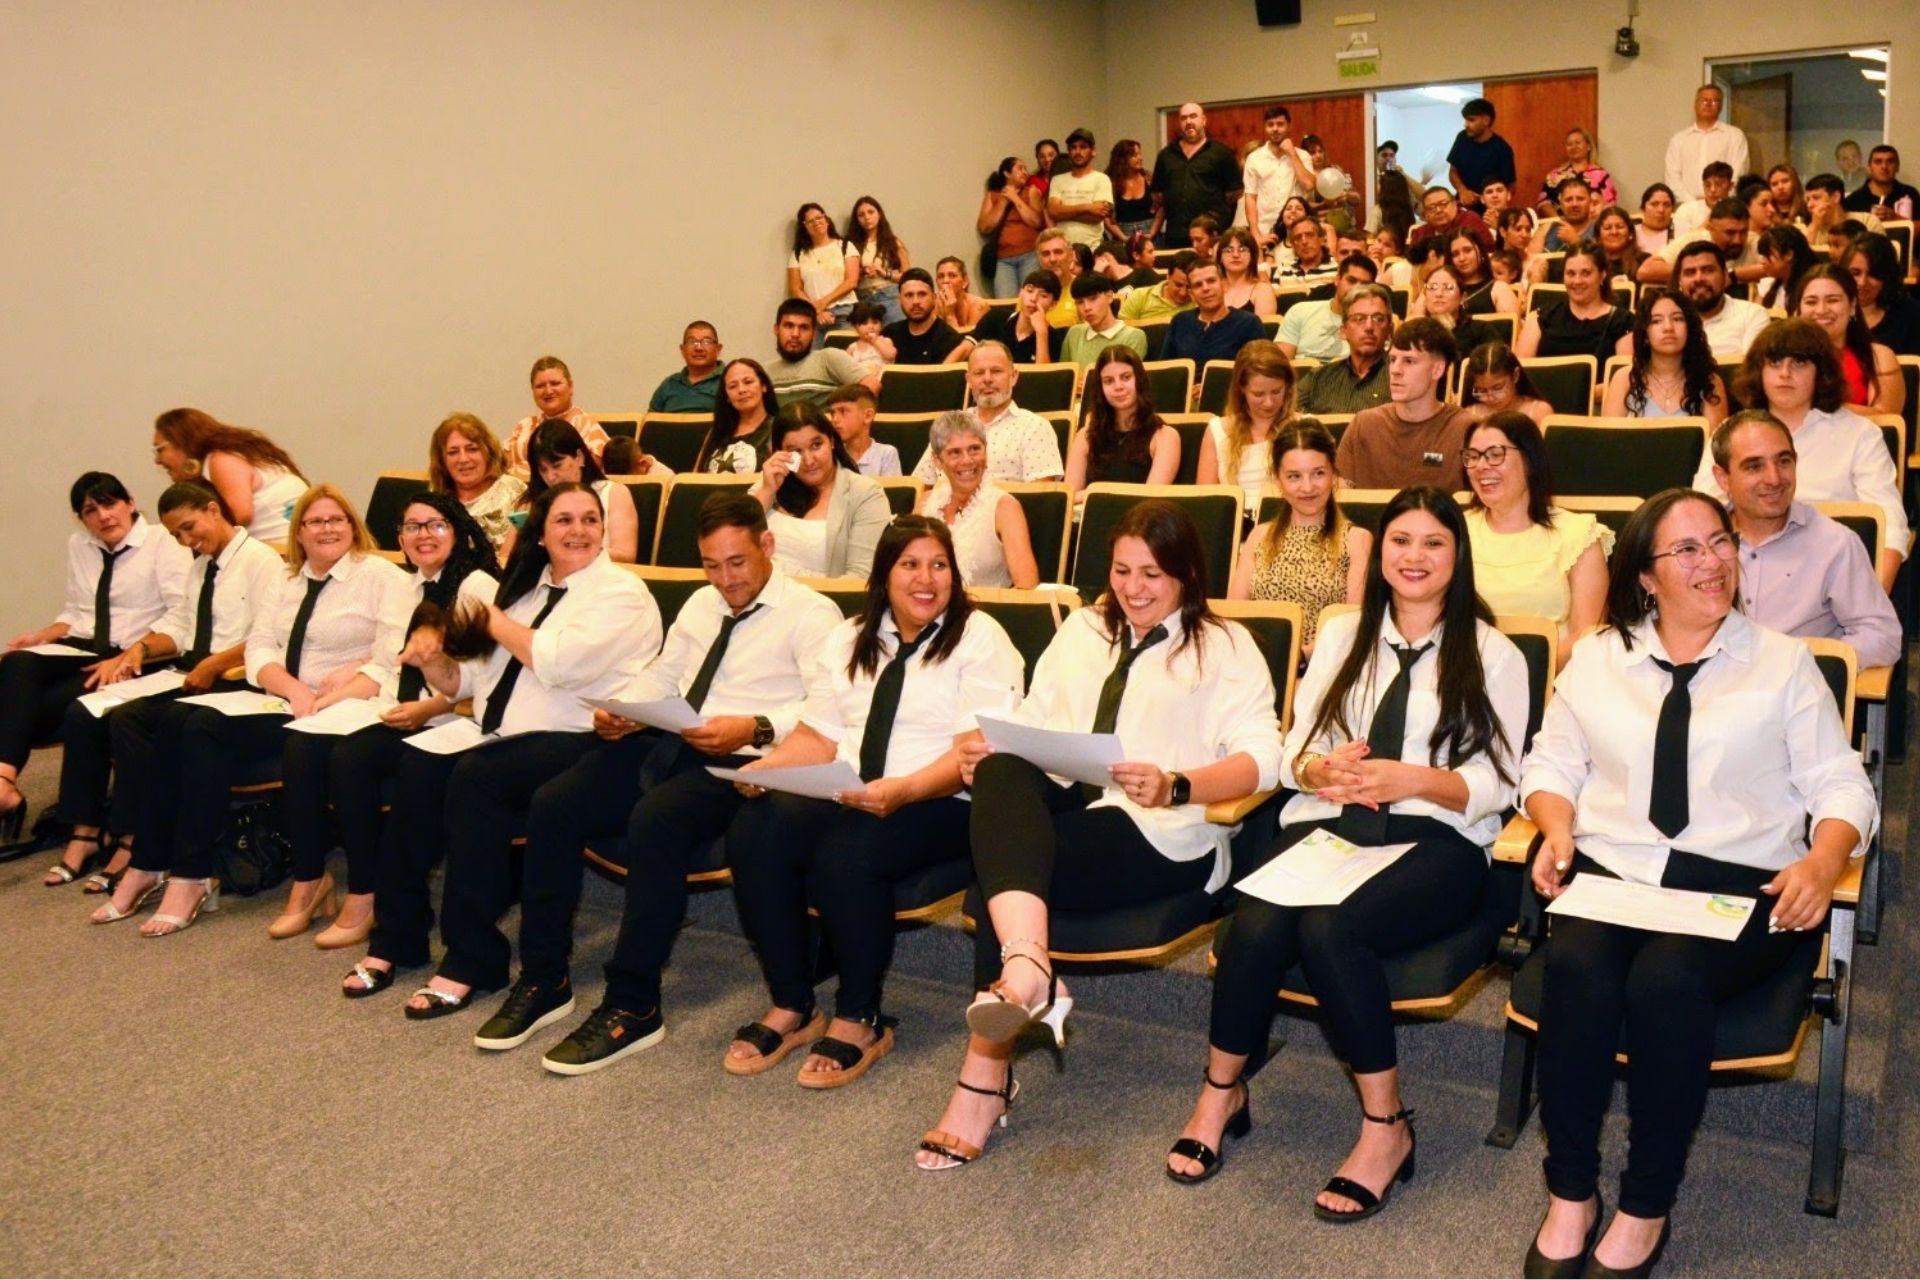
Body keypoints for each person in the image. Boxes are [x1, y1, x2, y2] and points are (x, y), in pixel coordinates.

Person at [1520, 488, 1874, 1279]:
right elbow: (1551, 763)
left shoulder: (1783, 663)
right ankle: (1570, 1191)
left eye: (1720, 542)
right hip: (1620, 870)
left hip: (1741, 882)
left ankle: (1646, 1203)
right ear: (1646, 578)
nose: (1712, 562)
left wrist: (1823, 862)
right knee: (1573, 966)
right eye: (1687, 550)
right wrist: (1555, 825)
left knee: (1667, 980)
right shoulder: (1599, 659)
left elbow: (1842, 784)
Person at [1180, 487, 1526, 1204]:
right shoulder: (1341, 635)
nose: (1414, 556)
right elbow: (1295, 750)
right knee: (1254, 924)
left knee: (1330, 930)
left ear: (1458, 555)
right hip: (1333, 824)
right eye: (1400, 540)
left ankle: (1386, 1126)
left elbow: (1499, 783)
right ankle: (1221, 1093)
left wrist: (1413, 779)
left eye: (1433, 542)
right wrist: (1317, 770)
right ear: (1380, 552)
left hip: (1436, 837)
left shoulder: (1494, 653)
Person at [917, 501, 1281, 1170]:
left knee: (998, 882)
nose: (1133, 589)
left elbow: (1264, 760)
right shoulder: (1083, 629)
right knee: (999, 771)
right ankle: (1030, 970)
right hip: (1072, 802)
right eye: (1121, 571)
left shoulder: (1226, 646)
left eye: (1152, 574)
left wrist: (1176, 784)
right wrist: (988, 747)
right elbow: (1035, 718)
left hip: (1160, 828)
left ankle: (985, 1076)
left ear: (1186, 575)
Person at [475, 493, 841, 1069]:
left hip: (749, 761)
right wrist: (624, 708)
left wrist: (756, 725)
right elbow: (663, 675)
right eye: (712, 565)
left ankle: (634, 1002)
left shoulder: (812, 615)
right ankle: (545, 978)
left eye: (737, 562)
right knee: (555, 802)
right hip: (676, 739)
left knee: (656, 819)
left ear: (767, 545)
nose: (726, 579)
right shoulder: (700, 604)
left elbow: (827, 710)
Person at [729, 516, 1025, 1088]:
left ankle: (860, 1016)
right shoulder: (850, 636)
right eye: (910, 565)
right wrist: (766, 768)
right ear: (885, 574)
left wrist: (904, 790)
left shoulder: (979, 636)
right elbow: (818, 735)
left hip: (945, 798)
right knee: (756, 826)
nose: (925, 579)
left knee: (846, 850)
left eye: (938, 565)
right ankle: (793, 1004)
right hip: (857, 789)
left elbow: (972, 753)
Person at [369, 483, 661, 1017]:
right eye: (564, 520)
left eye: (590, 519)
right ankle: (397, 936)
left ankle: (473, 958)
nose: (579, 530)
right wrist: (431, 660)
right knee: (418, 766)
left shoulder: (622, 593)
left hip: (581, 741)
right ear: (541, 534)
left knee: (478, 775)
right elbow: (464, 682)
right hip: (500, 735)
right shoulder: (525, 593)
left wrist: (491, 617)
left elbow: (557, 662)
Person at [100, 484, 409, 937]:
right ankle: (153, 863)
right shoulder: (287, 579)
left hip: (343, 706)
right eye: (315, 521)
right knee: (178, 719)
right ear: (298, 532)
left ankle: (194, 875)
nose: (326, 529)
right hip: (284, 698)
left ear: (352, 525)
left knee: (203, 728)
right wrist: (293, 690)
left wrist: (324, 699)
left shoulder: (382, 577)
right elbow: (260, 647)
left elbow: (389, 661)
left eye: (336, 519)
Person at [275, 492, 500, 949]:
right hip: (397, 706)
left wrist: (428, 708)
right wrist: (339, 696)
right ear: (400, 538)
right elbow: (386, 661)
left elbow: (488, 678)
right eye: (412, 527)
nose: (423, 535)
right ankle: (321, 879)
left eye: (435, 525)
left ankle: (366, 892)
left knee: (351, 760)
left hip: (451, 716)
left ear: (457, 531)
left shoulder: (477, 586)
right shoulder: (407, 585)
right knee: (309, 746)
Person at [45, 479, 244, 889]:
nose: (185, 541)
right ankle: (85, 831)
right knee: (86, 709)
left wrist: (212, 664)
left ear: (213, 510)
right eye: (177, 535)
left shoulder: (258, 562)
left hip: (227, 675)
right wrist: (141, 648)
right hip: (188, 666)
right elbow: (180, 625)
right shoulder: (202, 565)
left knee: (128, 719)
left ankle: (132, 837)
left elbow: (267, 636)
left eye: (188, 529)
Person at [0, 472, 190, 846]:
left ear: (130, 503)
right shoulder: (80, 544)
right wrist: (42, 636)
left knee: (39, 708)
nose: (103, 516)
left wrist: (129, 655)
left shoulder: (162, 542)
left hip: (142, 652)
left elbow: (180, 615)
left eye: (109, 504)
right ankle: (4, 778)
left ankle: (15, 793)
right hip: (87, 647)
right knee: (16, 662)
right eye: (91, 510)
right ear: (81, 518)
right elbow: (76, 611)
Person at [1693, 318, 1908, 591]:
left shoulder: (1861, 434)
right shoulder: (1729, 433)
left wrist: (1873, 598)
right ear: (1759, 371)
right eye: (1775, 363)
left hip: (1833, 578)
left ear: (1822, 373)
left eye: (1799, 363)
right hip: (1744, 576)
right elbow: (1701, 513)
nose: (1785, 373)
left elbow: (1889, 527)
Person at [1712, 412, 1901, 669]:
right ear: (1723, 478)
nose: (1774, 479)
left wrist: (1801, 663)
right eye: (1754, 466)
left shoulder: (1835, 544)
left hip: (1795, 688)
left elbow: (1882, 636)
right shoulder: (1697, 543)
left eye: (1784, 461)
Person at [1461, 414, 1611, 664]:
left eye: (1495, 454)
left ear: (1530, 460)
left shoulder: (1578, 534)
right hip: (1467, 676)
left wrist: (1521, 676)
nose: (1481, 466)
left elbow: (1586, 637)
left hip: (1553, 678)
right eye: (1473, 456)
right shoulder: (1454, 531)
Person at [1226, 420, 1369, 651]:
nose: (1308, 487)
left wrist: (1297, 657)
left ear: (1334, 474)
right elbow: (1234, 618)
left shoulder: (1357, 540)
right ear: (1278, 480)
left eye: (1318, 473)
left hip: (1324, 663)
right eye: (1294, 476)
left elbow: (1352, 628)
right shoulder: (1259, 536)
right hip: (1257, 659)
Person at [750, 402, 890, 581]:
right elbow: (732, 543)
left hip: (822, 597)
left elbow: (860, 578)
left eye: (816, 445)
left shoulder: (866, 494)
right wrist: (767, 491)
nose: (809, 460)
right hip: (759, 592)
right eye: (795, 451)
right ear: (779, 453)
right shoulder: (768, 484)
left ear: (831, 441)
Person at [1336, 319, 1470, 491]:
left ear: (1437, 370)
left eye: (1409, 361)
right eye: (1392, 360)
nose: (1395, 370)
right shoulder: (1363, 424)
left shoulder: (1466, 429)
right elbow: (1340, 493)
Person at [910, 342, 1066, 485]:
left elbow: (1040, 497)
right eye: (979, 373)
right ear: (969, 380)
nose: (987, 379)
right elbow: (920, 486)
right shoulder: (948, 427)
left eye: (996, 371)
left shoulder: (1035, 427)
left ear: (1013, 376)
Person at [919, 412, 1040, 589]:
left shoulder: (1005, 507)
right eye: (955, 453)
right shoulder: (925, 503)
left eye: (974, 449)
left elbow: (1027, 586)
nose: (967, 460)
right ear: (937, 460)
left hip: (984, 605)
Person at [150, 408, 309, 543]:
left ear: (181, 441)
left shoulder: (221, 460)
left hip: (281, 551)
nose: (157, 460)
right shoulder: (232, 455)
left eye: (160, 450)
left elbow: (240, 515)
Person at [515, 420, 642, 563]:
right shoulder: (533, 501)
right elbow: (508, 555)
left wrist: (571, 550)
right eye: (543, 470)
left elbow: (625, 555)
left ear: (579, 457)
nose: (550, 476)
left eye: (557, 465)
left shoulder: (613, 494)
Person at [1601, 291, 1730, 425]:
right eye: (1656, 321)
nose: (1668, 327)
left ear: (1690, 328)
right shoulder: (1624, 379)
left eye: (1677, 319)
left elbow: (1714, 438)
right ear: (1645, 333)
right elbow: (1609, 437)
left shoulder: (1710, 383)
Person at [1790, 264, 1904, 416]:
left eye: (1832, 300)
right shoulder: (1782, 359)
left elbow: (1885, 420)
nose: (1821, 310)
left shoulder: (1878, 357)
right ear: (1798, 310)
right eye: (1811, 302)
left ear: (1852, 306)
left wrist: (1813, 406)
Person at [1066, 347, 1181, 493]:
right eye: (1109, 381)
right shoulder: (1085, 436)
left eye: (1126, 377)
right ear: (1101, 388)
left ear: (1140, 380)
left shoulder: (1165, 436)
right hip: (1087, 508)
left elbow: (1150, 496)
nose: (1118, 387)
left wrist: (1095, 493)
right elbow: (1070, 497)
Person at [1199, 340, 1292, 515]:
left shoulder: (1304, 427)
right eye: (1258, 394)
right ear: (1241, 388)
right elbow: (1206, 504)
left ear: (1287, 386)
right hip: (1233, 526)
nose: (1269, 403)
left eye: (1276, 391)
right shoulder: (1217, 430)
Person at [427, 412, 526, 551]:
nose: (463, 459)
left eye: (472, 449)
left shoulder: (514, 492)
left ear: (488, 452)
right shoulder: (435, 497)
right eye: (453, 452)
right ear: (442, 460)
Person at [1515, 244, 1631, 362]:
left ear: (1602, 275)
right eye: (1571, 273)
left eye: (1585, 273)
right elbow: (1519, 369)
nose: (1577, 281)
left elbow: (1625, 372)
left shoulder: (1623, 322)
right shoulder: (1539, 319)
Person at [1150, 102, 1239, 248]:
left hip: (1210, 237)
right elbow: (1159, 198)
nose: (1188, 122)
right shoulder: (1165, 156)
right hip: (1175, 236)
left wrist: (1219, 227)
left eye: (1193, 116)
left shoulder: (1222, 154)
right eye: (1184, 118)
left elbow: (1233, 197)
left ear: (1203, 120)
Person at [500, 358, 609, 477]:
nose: (548, 391)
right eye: (540, 386)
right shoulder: (525, 425)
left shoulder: (586, 425)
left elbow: (590, 473)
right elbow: (499, 463)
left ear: (571, 386)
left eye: (555, 384)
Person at [1662, 240, 1769, 359]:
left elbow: (1753, 368)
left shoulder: (1752, 315)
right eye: (1690, 273)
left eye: (1708, 270)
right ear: (1680, 281)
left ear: (1725, 276)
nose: (1699, 278)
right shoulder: (1664, 322)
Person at [1297, 283, 1393, 414]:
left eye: (1378, 319)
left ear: (1390, 330)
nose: (1369, 327)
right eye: (1359, 319)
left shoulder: (1403, 376)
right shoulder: (1317, 379)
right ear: (1343, 331)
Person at [766, 298, 879, 408]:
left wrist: (844, 413)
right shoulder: (765, 372)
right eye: (789, 326)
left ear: (814, 334)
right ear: (776, 329)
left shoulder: (828, 358)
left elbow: (872, 384)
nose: (795, 334)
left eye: (804, 328)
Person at [1163, 258, 1264, 366]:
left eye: (1211, 281)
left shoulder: (1248, 323)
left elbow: (1261, 368)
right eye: (1198, 285)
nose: (1205, 288)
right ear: (1191, 294)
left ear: (1224, 285)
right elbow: (1165, 368)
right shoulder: (1179, 322)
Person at [1240, 104, 1315, 248]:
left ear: (1289, 126)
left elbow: (1309, 185)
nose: (1275, 129)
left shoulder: (1302, 155)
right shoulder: (1254, 158)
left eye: (1280, 124)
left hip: (1297, 231)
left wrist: (1291, 153)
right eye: (1270, 125)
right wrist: (1255, 234)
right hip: (1265, 230)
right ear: (1265, 127)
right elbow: (1250, 198)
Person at [1664, 85, 1750, 202]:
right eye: (1704, 100)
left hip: (1724, 205)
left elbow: (1739, 174)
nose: (1708, 104)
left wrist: (1720, 200)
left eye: (1714, 101)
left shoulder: (1735, 136)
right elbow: (1672, 179)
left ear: (1721, 106)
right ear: (1695, 104)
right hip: (1687, 207)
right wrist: (1693, 203)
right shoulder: (1679, 139)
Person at [979, 157, 1046, 299]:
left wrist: (1015, 198)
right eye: (1020, 168)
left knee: (1031, 299)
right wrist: (1003, 201)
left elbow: (1036, 222)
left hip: (1030, 255)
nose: (1025, 172)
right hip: (1003, 260)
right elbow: (984, 227)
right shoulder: (992, 196)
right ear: (1007, 173)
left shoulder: (1031, 191)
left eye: (1026, 169)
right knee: (1006, 303)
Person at [787, 202, 860, 332]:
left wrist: (823, 302)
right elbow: (795, 288)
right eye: (810, 221)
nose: (816, 223)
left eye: (819, 218)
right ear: (804, 226)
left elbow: (851, 281)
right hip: (813, 316)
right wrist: (816, 310)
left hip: (845, 313)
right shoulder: (798, 254)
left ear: (826, 220)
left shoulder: (845, 246)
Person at [699, 357, 780, 475]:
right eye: (733, 386)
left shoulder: (778, 428)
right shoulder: (717, 431)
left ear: (764, 386)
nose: (741, 390)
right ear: (727, 396)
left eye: (748, 382)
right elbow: (696, 476)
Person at [1847, 232, 1920, 357]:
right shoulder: (1830, 311)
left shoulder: (1913, 315)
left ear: (1887, 277)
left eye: (1873, 274)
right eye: (1855, 273)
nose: (1862, 282)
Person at [881, 268, 973, 366]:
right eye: (909, 295)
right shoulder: (889, 334)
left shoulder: (950, 340)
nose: (916, 301)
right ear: (899, 300)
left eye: (922, 294)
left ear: (934, 298)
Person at [1410, 263, 1500, 359]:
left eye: (1448, 288)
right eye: (1432, 288)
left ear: (1463, 297)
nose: (1439, 294)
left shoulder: (1481, 331)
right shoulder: (1414, 333)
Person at [969, 268, 1059, 364]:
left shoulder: (1053, 337)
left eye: (1043, 295)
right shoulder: (995, 317)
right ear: (1020, 293)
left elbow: (1043, 373)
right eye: (1029, 291)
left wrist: (1041, 334)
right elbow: (966, 347)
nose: (1033, 298)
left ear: (1053, 304)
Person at [1446, 99, 1515, 216]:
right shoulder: (1462, 138)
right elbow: (1453, 172)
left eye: (1471, 120)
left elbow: (1510, 186)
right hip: (1463, 208)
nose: (1466, 124)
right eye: (1465, 120)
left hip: (1491, 211)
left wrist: (1492, 201)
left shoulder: (1502, 148)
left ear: (1486, 120)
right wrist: (1463, 191)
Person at [847, 195, 910, 326]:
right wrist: (862, 272)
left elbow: (908, 277)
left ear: (879, 214)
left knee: (895, 333)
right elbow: (847, 278)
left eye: (871, 212)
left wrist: (884, 273)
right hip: (863, 298)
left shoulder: (894, 242)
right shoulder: (850, 244)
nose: (867, 217)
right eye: (861, 215)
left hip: (889, 295)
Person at [1048, 128, 1114, 249]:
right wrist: (1088, 207)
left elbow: (1096, 217)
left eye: (1083, 147)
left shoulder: (1102, 179)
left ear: (1093, 151)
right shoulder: (1057, 180)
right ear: (1069, 152)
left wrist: (1063, 213)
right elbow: (1053, 212)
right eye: (1073, 147)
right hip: (1064, 249)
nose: (1077, 152)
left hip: (1092, 248)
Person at [1060, 274, 1148, 366]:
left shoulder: (1133, 336)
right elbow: (1064, 373)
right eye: (1080, 302)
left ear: (1109, 296)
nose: (1086, 307)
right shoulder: (1074, 333)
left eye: (1093, 299)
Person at [1461, 343, 1553, 426]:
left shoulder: (1538, 412)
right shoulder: (1470, 415)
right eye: (1482, 390)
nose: (1490, 397)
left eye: (1498, 388)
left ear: (1515, 375)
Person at [647, 320, 725, 413]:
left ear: (718, 349)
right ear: (682, 350)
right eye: (691, 341)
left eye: (706, 342)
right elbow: (650, 419)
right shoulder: (669, 384)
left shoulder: (729, 381)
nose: (699, 348)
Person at [825, 383, 900, 478]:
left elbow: (892, 487)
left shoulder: (886, 454)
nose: (835, 419)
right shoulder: (831, 456)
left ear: (868, 416)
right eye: (832, 413)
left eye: (843, 411)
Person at [1540, 128, 1618, 213]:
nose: (1574, 147)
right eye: (1569, 144)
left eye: (1577, 143)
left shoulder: (1601, 175)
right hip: (1561, 220)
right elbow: (1543, 202)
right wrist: (1558, 219)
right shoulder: (1554, 175)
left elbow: (1610, 203)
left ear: (1588, 146)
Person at [1408, 186, 1493, 262]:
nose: (1438, 210)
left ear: (1455, 204)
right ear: (1425, 214)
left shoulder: (1470, 220)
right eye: (1431, 207)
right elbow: (1412, 259)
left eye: (1443, 204)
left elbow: (1487, 251)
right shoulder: (1420, 233)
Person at [1445, 230, 1519, 315]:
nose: (1462, 258)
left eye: (1468, 250)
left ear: (1481, 251)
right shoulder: (1444, 291)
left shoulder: (1499, 289)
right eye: (1455, 254)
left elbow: (1511, 323)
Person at [1842, 145, 1919, 221]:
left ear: (1897, 166)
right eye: (1878, 162)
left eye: (1890, 162)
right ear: (1869, 168)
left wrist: (1896, 218)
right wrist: (1869, 220)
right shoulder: (1853, 201)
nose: (1884, 167)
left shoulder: (1910, 194)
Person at [1751, 224, 1817, 312]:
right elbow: (1756, 314)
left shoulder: (1812, 287)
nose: (1762, 261)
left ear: (1788, 255)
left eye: (1767, 255)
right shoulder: (1769, 282)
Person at [1119, 251, 1195, 324]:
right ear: (1168, 276)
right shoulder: (1139, 296)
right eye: (1178, 285)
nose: (1183, 293)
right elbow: (1121, 330)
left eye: (1190, 287)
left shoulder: (1198, 302)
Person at [1218, 227, 1278, 317]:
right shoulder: (1213, 290)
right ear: (1220, 257)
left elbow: (1263, 325)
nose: (1236, 255)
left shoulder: (1262, 290)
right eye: (1228, 250)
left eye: (1242, 250)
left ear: (1252, 256)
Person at [1533, 176, 1598, 255]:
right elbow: (1530, 258)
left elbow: (1602, 260)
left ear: (1590, 202)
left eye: (1580, 199)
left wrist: (1575, 241)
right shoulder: (1547, 228)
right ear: (1561, 204)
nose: (1574, 204)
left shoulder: (1600, 229)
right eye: (1568, 200)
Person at [1034, 230, 1083, 329]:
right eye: (1046, 254)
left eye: (1058, 252)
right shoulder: (1031, 293)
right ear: (1040, 260)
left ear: (1070, 256)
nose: (1052, 259)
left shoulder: (1083, 289)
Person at [1107, 138, 1155, 240]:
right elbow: (1106, 217)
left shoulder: (1149, 179)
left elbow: (1161, 208)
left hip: (1149, 235)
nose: (1140, 158)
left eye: (1140, 154)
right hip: (1121, 235)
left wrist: (1152, 233)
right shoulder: (1111, 183)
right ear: (1122, 159)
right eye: (1134, 155)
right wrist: (1124, 238)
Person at [934, 257, 990, 332]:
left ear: (965, 281)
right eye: (941, 276)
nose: (945, 281)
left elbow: (968, 338)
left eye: (952, 275)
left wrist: (950, 315)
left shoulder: (978, 305)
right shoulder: (932, 304)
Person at [842, 300, 894, 381]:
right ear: (855, 327)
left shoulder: (885, 341)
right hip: (860, 381)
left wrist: (876, 341)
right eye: (865, 323)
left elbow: (891, 356)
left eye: (875, 322)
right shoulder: (852, 347)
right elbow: (845, 368)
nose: (871, 327)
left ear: (881, 325)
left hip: (882, 380)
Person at [1367, 226, 1414, 291]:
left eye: (1387, 245)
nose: (1380, 247)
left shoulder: (1398, 268)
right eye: (1379, 241)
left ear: (1398, 250)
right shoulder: (1369, 259)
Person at [1636, 183, 1678, 255]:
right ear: (1643, 208)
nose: (1661, 210)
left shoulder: (1684, 231)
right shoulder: (1630, 232)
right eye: (1654, 204)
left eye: (1666, 205)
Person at [1030, 139, 1060, 205]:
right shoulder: (1032, 181)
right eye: (1042, 156)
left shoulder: (1067, 177)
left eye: (1051, 155)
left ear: (1058, 155)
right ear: (1037, 158)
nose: (1047, 159)